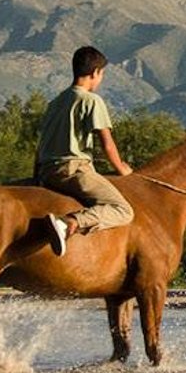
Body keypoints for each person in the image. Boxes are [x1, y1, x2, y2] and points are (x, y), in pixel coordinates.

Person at [34, 45, 135, 255]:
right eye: (102, 74)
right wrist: (121, 168)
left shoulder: (55, 103)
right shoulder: (91, 100)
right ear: (95, 72)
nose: (101, 79)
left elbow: (41, 143)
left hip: (46, 171)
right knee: (123, 210)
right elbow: (107, 143)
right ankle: (68, 223)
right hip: (73, 170)